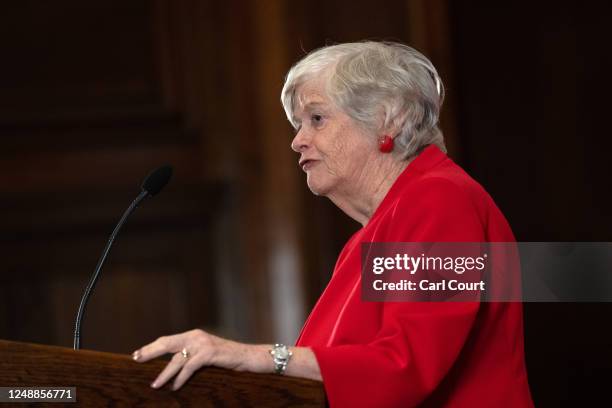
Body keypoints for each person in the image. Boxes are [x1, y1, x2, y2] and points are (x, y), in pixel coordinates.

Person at [132, 41, 534, 407]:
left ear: (388, 120)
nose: (297, 140)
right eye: (298, 124)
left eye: (317, 118)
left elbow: (406, 365)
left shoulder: (441, 200)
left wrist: (250, 356)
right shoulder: (371, 236)